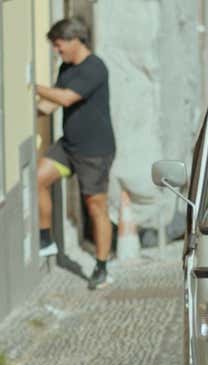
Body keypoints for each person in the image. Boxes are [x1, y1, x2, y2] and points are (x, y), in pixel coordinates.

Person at [35, 18, 116, 290]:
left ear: (75, 41)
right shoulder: (66, 68)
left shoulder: (95, 68)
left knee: (95, 206)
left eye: (59, 47)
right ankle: (45, 239)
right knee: (38, 180)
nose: (57, 52)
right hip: (68, 146)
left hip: (94, 151)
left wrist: (30, 86)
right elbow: (53, 102)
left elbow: (68, 98)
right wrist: (33, 108)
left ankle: (101, 266)